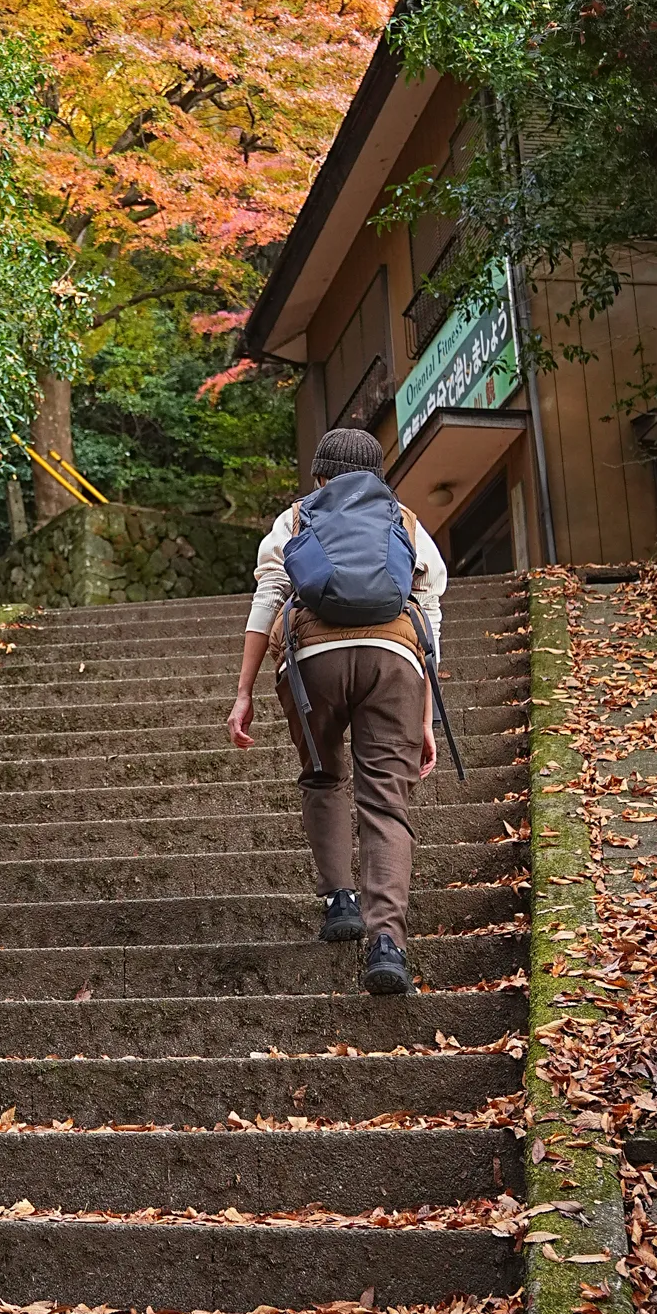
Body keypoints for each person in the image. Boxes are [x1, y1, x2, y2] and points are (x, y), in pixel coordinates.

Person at [225, 424, 446, 994]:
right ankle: (388, 944)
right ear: (377, 476)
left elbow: (268, 598)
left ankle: (341, 902)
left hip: (312, 659)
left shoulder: (296, 519)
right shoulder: (406, 521)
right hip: (394, 659)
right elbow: (428, 614)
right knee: (386, 801)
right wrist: (425, 716)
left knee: (324, 776)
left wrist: (245, 690)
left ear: (320, 475)